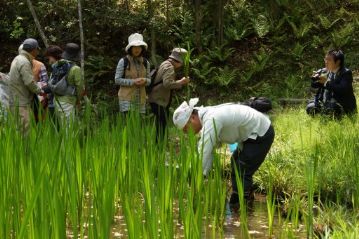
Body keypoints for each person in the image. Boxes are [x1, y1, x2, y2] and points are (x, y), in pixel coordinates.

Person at [173, 98, 275, 206]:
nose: (186, 133)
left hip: (261, 133)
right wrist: (202, 175)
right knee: (236, 161)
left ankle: (241, 203)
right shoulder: (207, 119)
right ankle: (245, 197)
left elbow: (204, 151)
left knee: (242, 168)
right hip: (250, 136)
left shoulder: (212, 119)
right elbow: (209, 152)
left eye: (185, 129)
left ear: (192, 118)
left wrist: (196, 181)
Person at [148, 48, 190, 141]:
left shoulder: (165, 63)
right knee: (162, 123)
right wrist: (181, 82)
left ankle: (160, 142)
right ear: (179, 61)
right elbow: (167, 84)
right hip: (158, 99)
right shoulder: (169, 67)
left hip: (155, 97)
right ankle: (159, 145)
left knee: (161, 122)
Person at [8, 38, 44, 135]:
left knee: (18, 130)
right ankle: (25, 151)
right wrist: (40, 90)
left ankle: (18, 150)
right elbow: (29, 82)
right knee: (25, 132)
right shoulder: (24, 62)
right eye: (37, 49)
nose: (37, 52)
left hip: (15, 100)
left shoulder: (17, 58)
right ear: (33, 50)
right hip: (21, 102)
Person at [306, 50, 357, 117]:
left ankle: (339, 115)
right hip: (325, 102)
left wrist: (326, 82)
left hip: (340, 104)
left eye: (329, 60)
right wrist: (316, 79)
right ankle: (324, 113)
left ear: (338, 62)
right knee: (310, 107)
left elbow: (342, 90)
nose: (326, 62)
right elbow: (314, 86)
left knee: (331, 109)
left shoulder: (346, 73)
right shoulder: (325, 71)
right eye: (325, 59)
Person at [115, 33, 150, 116]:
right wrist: (133, 81)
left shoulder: (145, 62)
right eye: (134, 47)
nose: (137, 49)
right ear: (130, 48)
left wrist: (144, 80)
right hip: (126, 99)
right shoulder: (123, 61)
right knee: (128, 124)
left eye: (139, 47)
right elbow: (117, 79)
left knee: (139, 125)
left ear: (142, 48)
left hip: (141, 99)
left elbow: (149, 80)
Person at [52, 43, 85, 123]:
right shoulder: (75, 68)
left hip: (56, 100)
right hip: (68, 101)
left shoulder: (57, 64)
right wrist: (78, 100)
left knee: (62, 127)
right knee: (69, 130)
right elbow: (80, 87)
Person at [44, 45, 63, 121]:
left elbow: (55, 86)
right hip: (54, 102)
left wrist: (42, 89)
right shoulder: (59, 67)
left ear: (53, 56)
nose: (48, 60)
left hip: (58, 103)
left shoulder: (60, 68)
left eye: (49, 57)